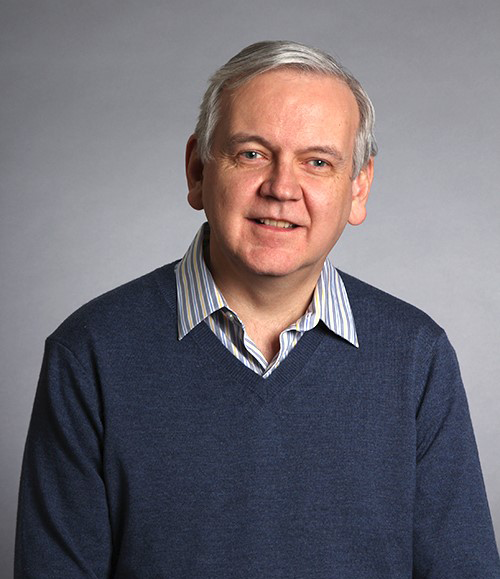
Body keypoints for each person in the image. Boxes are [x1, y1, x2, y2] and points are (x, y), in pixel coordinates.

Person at [15, 40, 500, 578]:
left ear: (358, 189)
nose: (281, 188)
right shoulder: (89, 354)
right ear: (198, 170)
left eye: (317, 162)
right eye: (252, 153)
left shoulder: (417, 357)